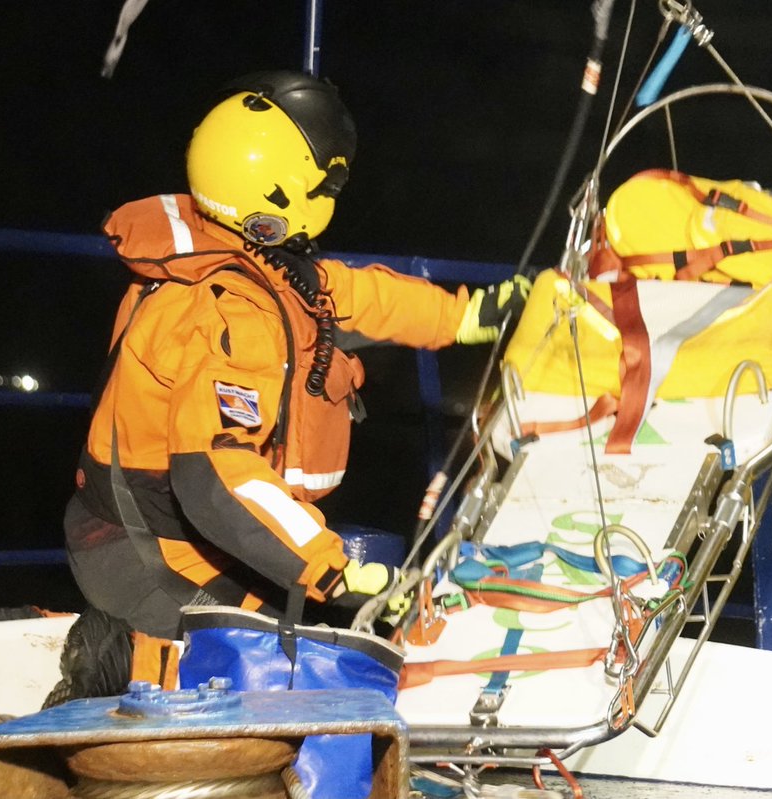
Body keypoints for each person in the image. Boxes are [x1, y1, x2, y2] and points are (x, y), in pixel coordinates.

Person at [64, 70, 529, 639]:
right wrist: (333, 570)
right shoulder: (231, 316)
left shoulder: (236, 252)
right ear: (278, 197)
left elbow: (352, 295)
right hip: (148, 556)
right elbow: (219, 478)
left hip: (174, 534)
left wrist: (465, 315)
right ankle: (112, 660)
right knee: (282, 663)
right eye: (322, 186)